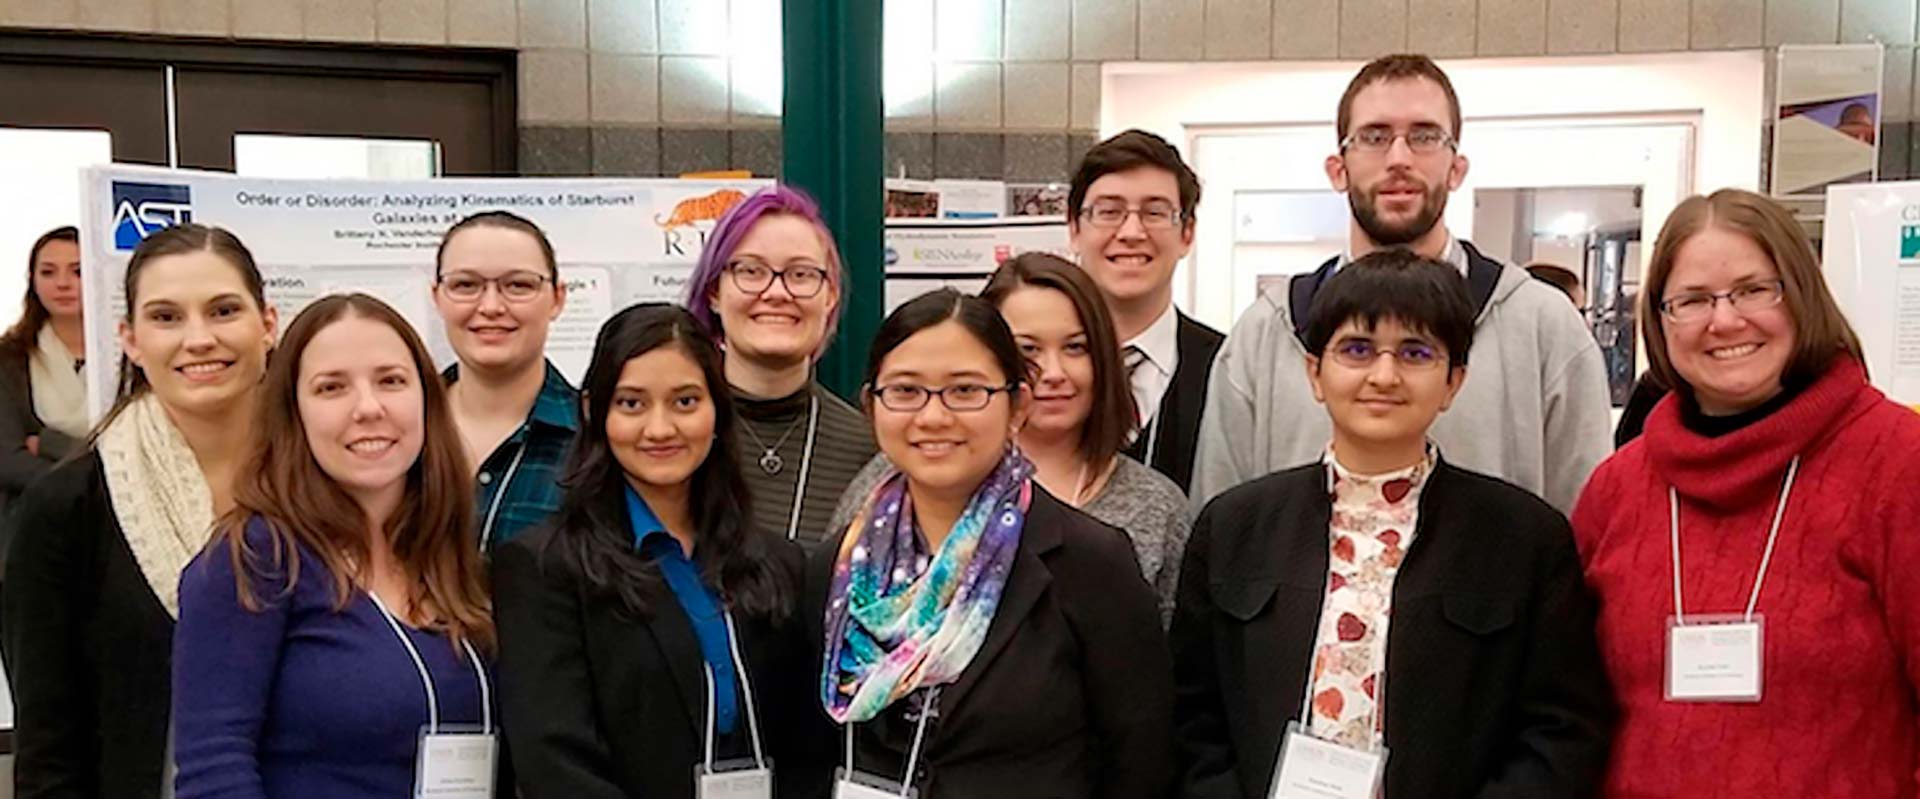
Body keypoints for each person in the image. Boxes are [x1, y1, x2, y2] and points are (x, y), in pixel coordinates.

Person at [1173, 249, 1614, 798]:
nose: (1384, 375)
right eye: (1356, 350)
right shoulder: (1235, 528)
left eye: (1415, 352)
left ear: (1453, 381)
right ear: (1315, 372)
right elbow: (1193, 719)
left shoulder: (1524, 540)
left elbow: (1561, 730)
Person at [1573, 188, 1920, 799]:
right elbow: (1573, 712)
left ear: (1803, 295)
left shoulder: (1899, 463)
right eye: (1693, 300)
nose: (1725, 320)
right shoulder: (1617, 490)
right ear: (1660, 320)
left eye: (1756, 289)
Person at [1193, 53, 1612, 513]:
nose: (1399, 158)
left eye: (1424, 136)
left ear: (1456, 168)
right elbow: (1222, 537)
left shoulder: (1543, 328)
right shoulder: (1266, 334)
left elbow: (1589, 529)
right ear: (1338, 169)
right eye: (1373, 137)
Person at [809, 289, 1173, 798]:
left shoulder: (1089, 563)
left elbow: (1141, 765)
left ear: (1018, 404)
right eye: (906, 391)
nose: (933, 417)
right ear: (872, 406)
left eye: (965, 391)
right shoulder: (839, 571)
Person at [172, 294, 500, 798]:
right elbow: (215, 769)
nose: (368, 408)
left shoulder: (455, 560)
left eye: (391, 381)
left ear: (428, 400)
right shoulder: (255, 560)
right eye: (332, 388)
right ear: (292, 413)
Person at [494, 303, 823, 798]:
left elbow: (808, 744)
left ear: (718, 408)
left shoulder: (780, 563)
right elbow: (554, 763)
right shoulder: (543, 568)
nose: (660, 428)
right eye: (631, 403)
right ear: (593, 410)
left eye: (686, 401)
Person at [2, 224, 279, 799]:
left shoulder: (332, 487)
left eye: (224, 310)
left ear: (268, 324)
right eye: (166, 317)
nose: (199, 338)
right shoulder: (68, 508)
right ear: (130, 338)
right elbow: (49, 748)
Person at [832, 253, 1192, 621]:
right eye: (1028, 350)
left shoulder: (1155, 507)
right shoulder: (893, 484)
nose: (1052, 372)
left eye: (1075, 347)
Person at [684, 186, 876, 548]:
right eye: (751, 271)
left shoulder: (868, 451)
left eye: (801, 274)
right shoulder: (669, 433)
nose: (776, 292)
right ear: (714, 292)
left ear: (830, 296)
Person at [1068, 129, 1224, 493]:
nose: (1132, 232)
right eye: (1109, 212)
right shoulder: (1036, 367)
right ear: (1075, 229)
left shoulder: (1228, 367)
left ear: (1187, 233)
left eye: (1155, 212)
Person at [432, 211, 579, 550]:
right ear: (437, 296)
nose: (491, 306)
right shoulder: (399, 428)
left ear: (557, 298)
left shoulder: (597, 441)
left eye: (519, 285)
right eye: (466, 285)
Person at [0, 226, 87, 517]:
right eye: (48, 272)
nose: (63, 283)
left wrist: (50, 443)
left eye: (78, 271)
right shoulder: (9, 357)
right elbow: (8, 460)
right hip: (32, 522)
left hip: (121, 529)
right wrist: (92, 487)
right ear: (32, 281)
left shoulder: (133, 354)